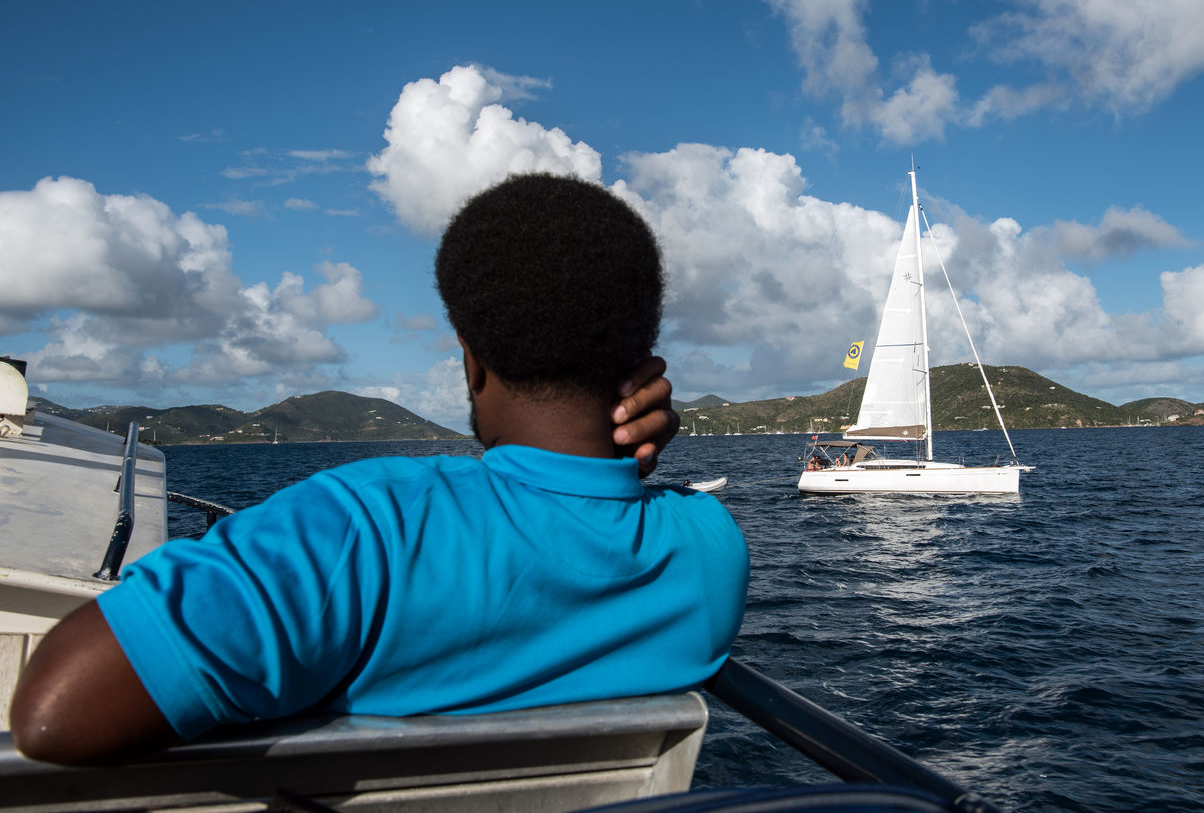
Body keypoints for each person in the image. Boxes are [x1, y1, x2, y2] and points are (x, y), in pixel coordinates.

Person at [11, 173, 749, 766]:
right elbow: (584, 519)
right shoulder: (711, 554)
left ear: (470, 356)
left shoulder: (362, 528)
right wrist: (622, 455)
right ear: (642, 356)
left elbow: (51, 715)